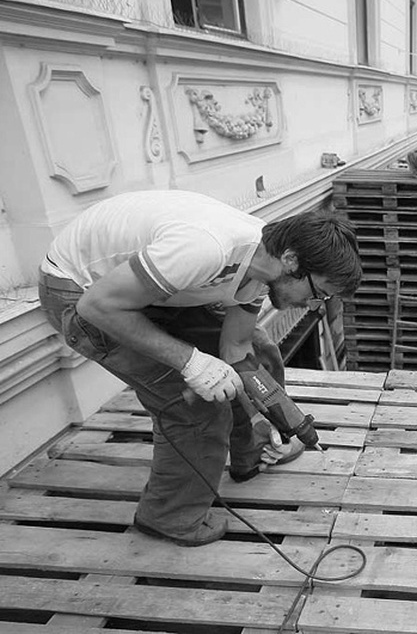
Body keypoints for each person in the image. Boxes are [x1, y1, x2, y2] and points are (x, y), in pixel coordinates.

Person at [37, 190, 362, 546]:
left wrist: (285, 416)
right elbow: (97, 306)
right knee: (195, 406)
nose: (316, 305)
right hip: (81, 291)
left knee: (259, 349)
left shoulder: (261, 264)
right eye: (321, 292)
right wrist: (190, 362)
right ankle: (168, 516)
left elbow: (235, 350)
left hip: (154, 288)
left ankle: (250, 450)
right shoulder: (205, 249)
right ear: (290, 260)